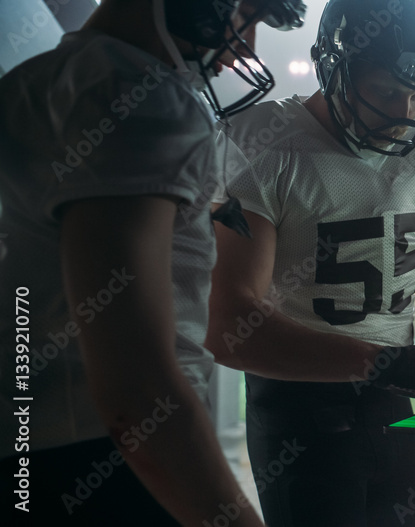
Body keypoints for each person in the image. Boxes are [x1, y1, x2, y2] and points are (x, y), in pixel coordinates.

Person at [205, 0, 415, 524]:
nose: (406, 113)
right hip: (300, 404)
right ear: (334, 66)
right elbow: (227, 325)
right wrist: (387, 362)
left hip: (394, 396)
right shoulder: (263, 146)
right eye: (386, 91)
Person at [0, 0, 304, 525]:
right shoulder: (144, 99)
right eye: (246, 15)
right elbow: (136, 388)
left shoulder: (38, 78)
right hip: (109, 461)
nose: (246, 46)